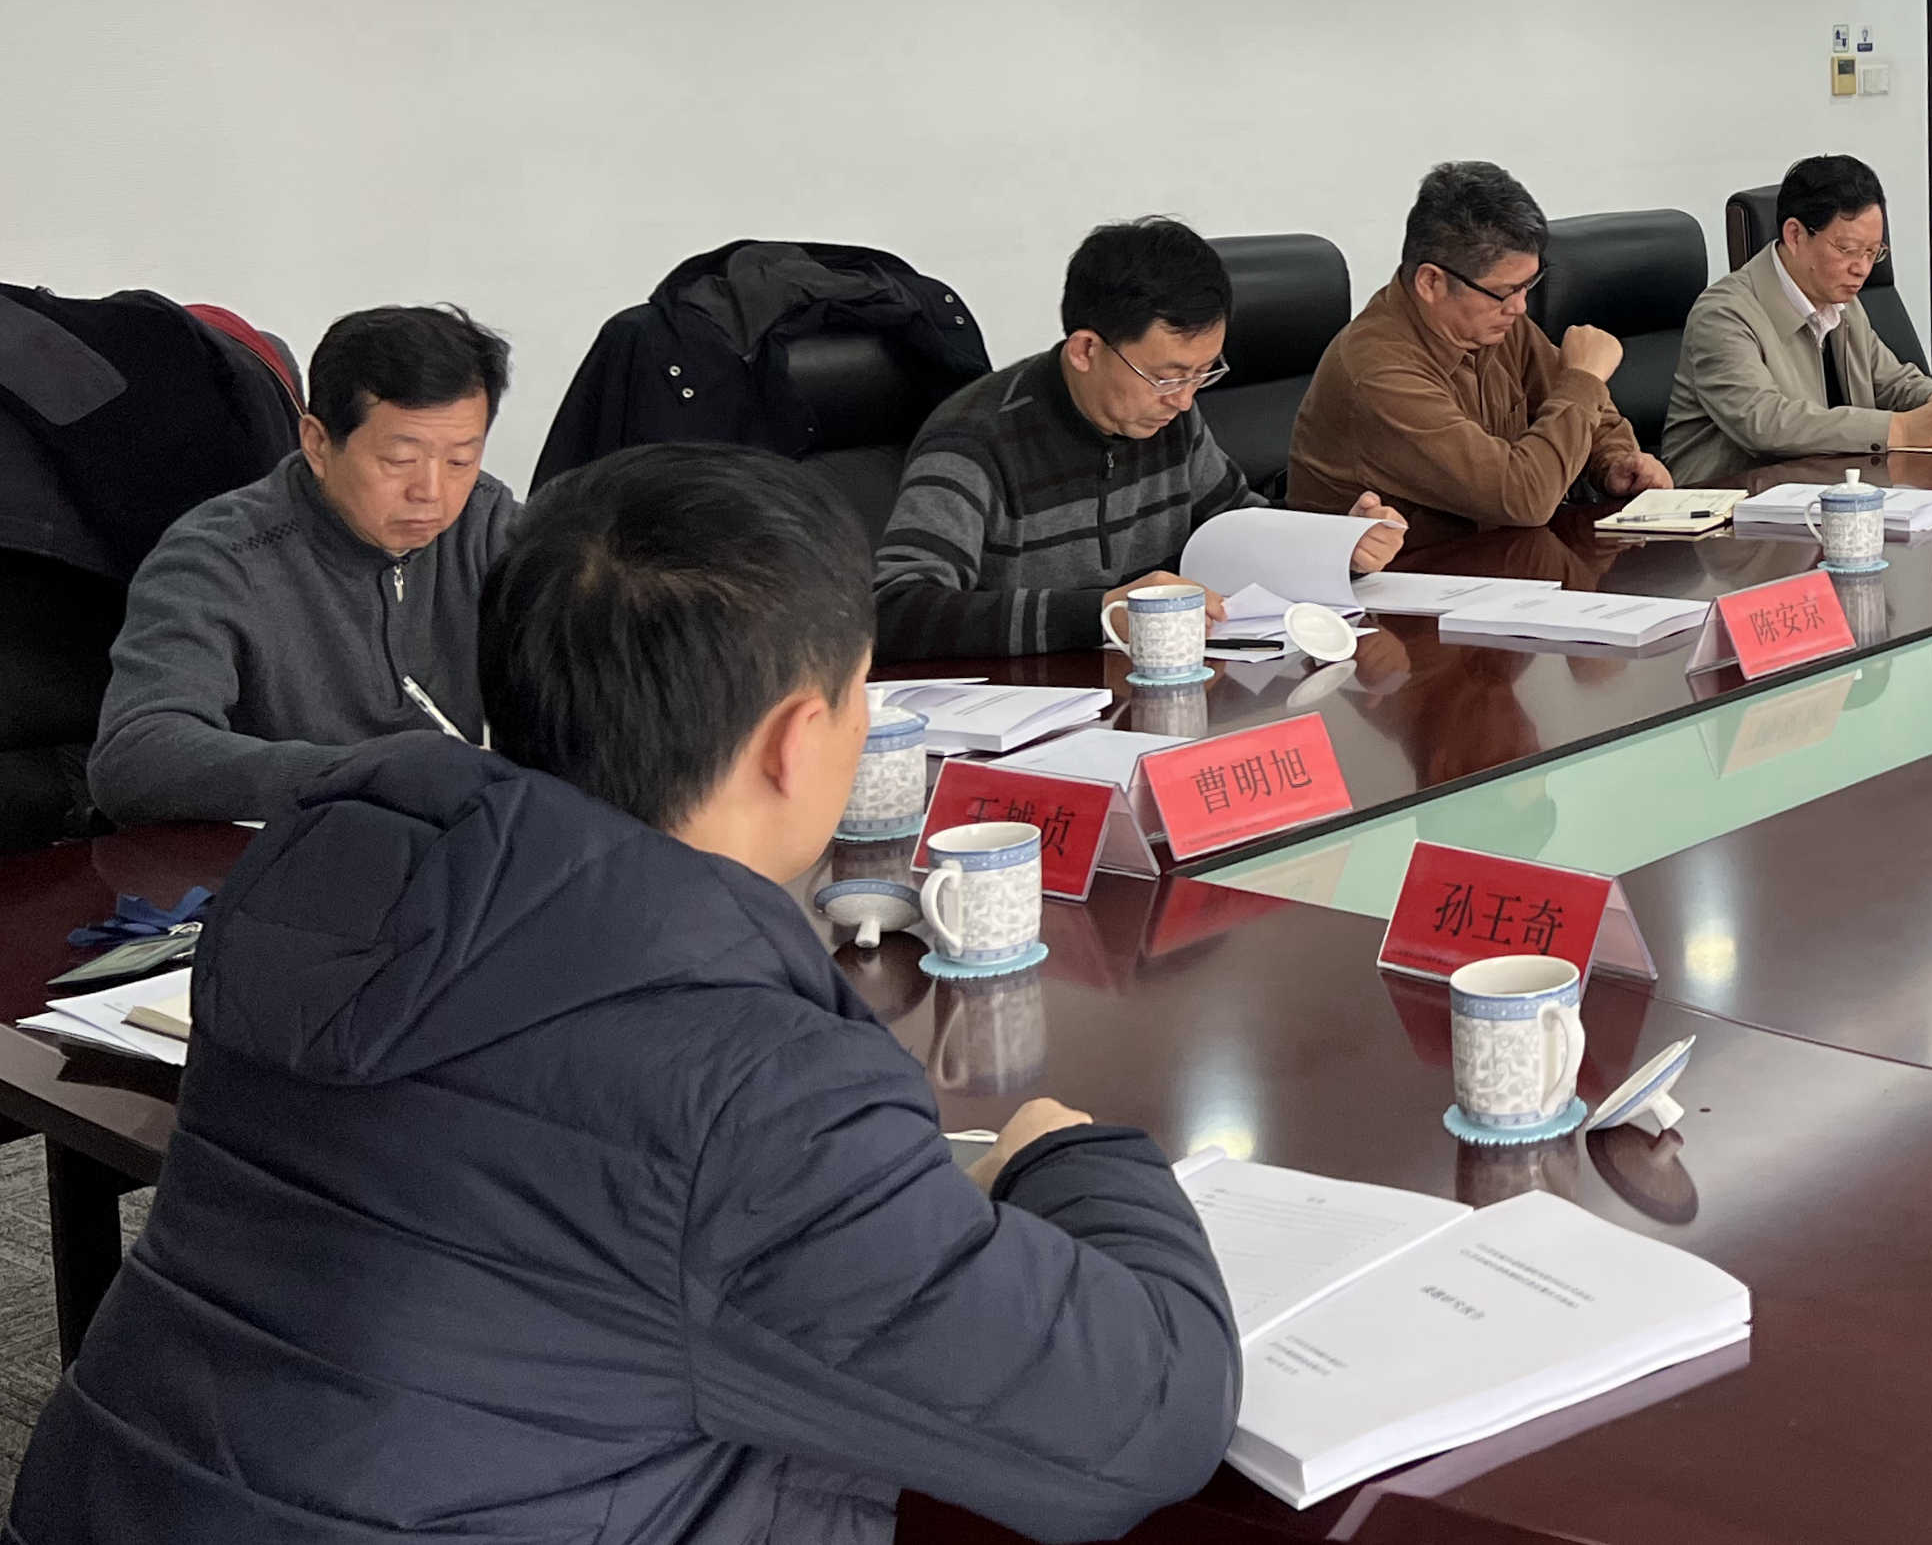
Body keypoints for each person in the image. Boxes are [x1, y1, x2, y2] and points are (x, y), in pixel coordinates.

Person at [11, 444, 1237, 1542]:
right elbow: (1145, 1420)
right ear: (796, 738)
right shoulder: (745, 1087)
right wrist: (1068, 1159)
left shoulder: (320, 873)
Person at [874, 217, 1401, 661]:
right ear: (1085, 350)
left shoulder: (1167, 417)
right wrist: (1104, 613)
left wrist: (1334, 548)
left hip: (1157, 686)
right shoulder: (975, 440)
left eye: (1203, 373)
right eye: (1167, 377)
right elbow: (894, 609)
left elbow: (1234, 528)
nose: (1184, 400)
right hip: (1029, 712)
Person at [86, 304, 516, 827]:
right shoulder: (220, 557)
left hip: (455, 847)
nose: (431, 492)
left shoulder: (486, 522)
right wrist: (365, 774)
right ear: (317, 443)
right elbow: (134, 756)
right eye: (400, 460)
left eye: (460, 461)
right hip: (286, 852)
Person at [1289, 162, 1674, 542]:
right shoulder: (1377, 371)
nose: (1520, 307)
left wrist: (1614, 461)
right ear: (1431, 282)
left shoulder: (1495, 323)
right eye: (1505, 292)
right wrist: (1585, 378)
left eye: (1529, 285)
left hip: (1497, 560)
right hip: (1400, 574)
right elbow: (1524, 498)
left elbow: (1583, 414)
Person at [1659, 155, 1932, 486]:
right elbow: (1765, 424)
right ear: (1795, 235)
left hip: (1824, 492)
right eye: (1847, 250)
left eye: (1873, 252)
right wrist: (1900, 428)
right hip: (1730, 502)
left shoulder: (1842, 304)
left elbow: (1893, 381)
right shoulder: (1723, 314)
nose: (1862, 269)